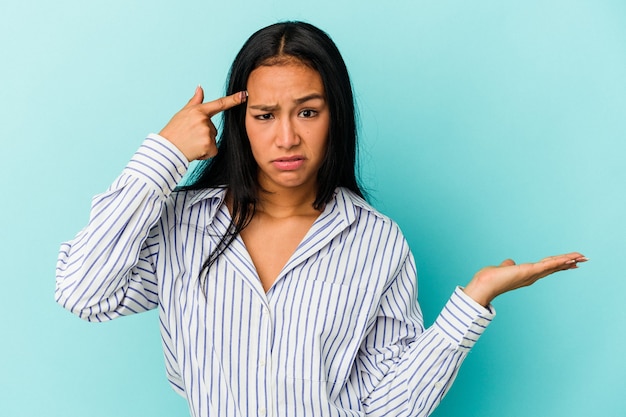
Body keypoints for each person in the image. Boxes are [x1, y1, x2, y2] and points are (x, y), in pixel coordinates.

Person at [55, 21, 586, 417]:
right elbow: (83, 292)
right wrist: (164, 155)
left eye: (308, 112)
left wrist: (470, 303)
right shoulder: (181, 226)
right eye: (264, 115)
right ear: (241, 123)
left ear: (336, 115)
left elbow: (386, 408)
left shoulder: (376, 242)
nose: (287, 137)